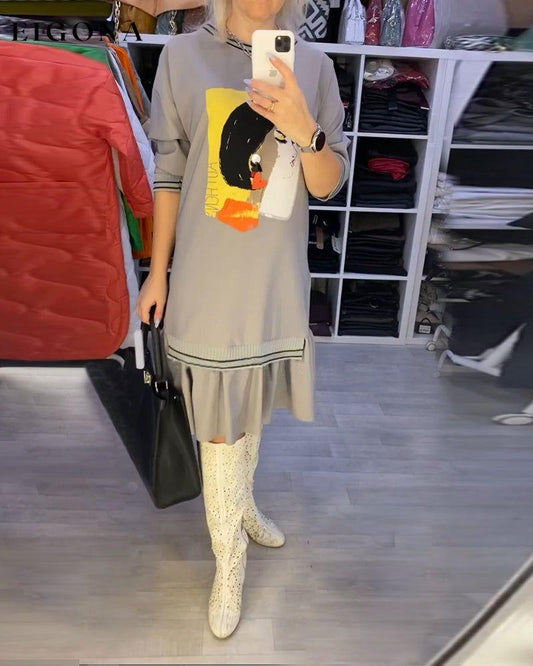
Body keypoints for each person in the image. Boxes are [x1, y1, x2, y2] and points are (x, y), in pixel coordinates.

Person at [136, 0, 350, 639]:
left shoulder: (314, 66)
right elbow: (169, 174)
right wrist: (157, 271)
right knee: (218, 423)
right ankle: (228, 562)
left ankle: (244, 506)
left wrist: (306, 129)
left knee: (251, 402)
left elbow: (327, 183)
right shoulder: (182, 57)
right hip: (207, 274)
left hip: (274, 276)